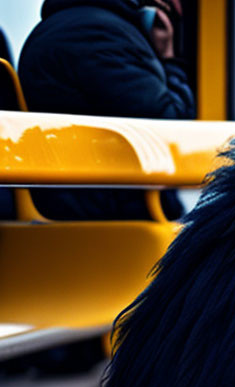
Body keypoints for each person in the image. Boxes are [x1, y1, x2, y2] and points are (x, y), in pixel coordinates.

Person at [17, 0, 195, 221]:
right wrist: (168, 58)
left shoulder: (59, 28)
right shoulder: (103, 35)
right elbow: (172, 130)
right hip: (109, 214)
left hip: (73, 205)